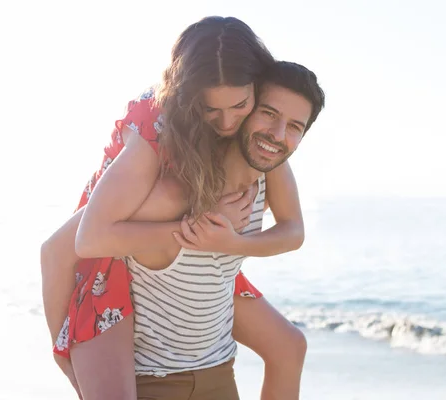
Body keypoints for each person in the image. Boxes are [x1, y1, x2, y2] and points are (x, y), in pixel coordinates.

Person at [40, 16, 322, 400]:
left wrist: (227, 242)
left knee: (289, 345)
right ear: (191, 97)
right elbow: (67, 247)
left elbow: (293, 230)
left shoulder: (258, 139)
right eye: (212, 109)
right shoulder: (158, 134)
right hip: (112, 247)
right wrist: (63, 349)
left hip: (200, 262)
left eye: (240, 105)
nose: (226, 122)